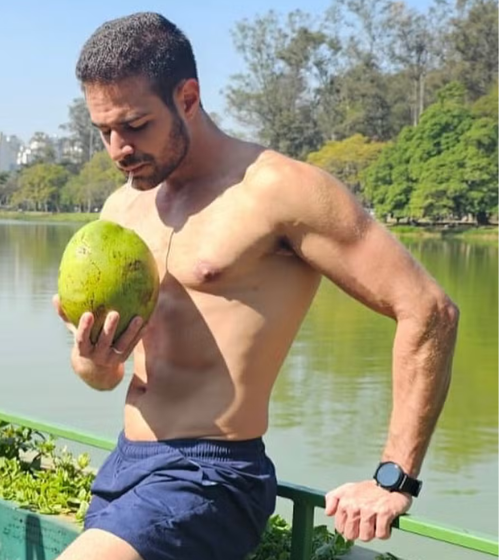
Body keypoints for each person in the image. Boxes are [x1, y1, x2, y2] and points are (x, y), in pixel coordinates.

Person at [51, 11, 459, 560]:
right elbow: (104, 378)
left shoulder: (279, 192)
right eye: (104, 131)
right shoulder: (122, 208)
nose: (118, 148)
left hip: (211, 476)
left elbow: (428, 309)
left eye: (135, 124)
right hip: (126, 466)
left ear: (188, 97)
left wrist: (393, 478)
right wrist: (95, 361)